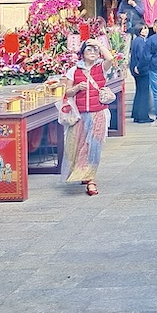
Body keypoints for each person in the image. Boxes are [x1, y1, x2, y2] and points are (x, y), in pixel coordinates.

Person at [61, 38, 116, 196]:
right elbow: (68, 92)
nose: (92, 53)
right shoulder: (73, 70)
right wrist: (77, 87)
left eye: (95, 50)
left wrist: (99, 44)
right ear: (82, 53)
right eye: (89, 49)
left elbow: (110, 58)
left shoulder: (101, 67)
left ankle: (91, 179)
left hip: (98, 113)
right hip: (79, 115)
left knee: (93, 146)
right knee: (78, 146)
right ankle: (82, 172)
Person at [129, 24, 152, 123]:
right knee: (144, 93)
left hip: (137, 69)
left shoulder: (136, 40)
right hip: (141, 70)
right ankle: (142, 116)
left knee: (139, 92)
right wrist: (139, 67)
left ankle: (137, 114)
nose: (145, 31)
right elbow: (143, 56)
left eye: (146, 29)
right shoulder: (140, 41)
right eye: (143, 29)